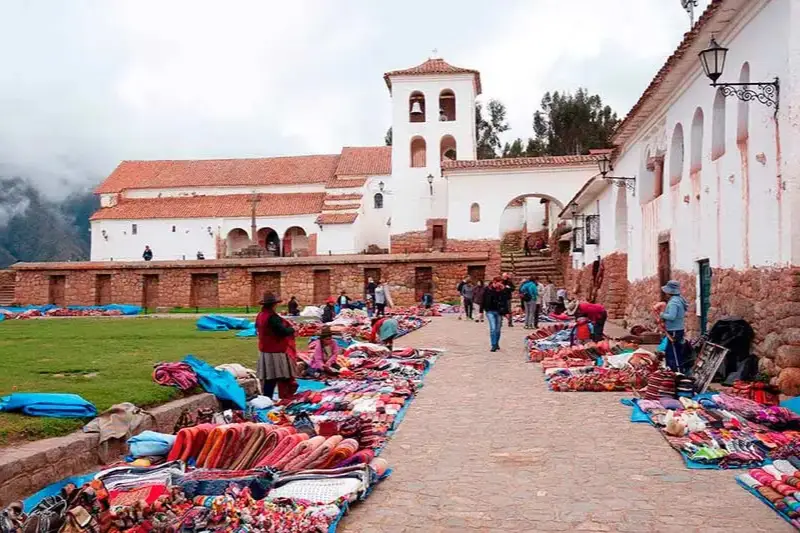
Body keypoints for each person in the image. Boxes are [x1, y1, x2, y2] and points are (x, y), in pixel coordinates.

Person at [255, 292, 297, 399]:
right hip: (275, 351)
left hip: (265, 349)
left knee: (269, 377)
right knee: (279, 376)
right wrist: (293, 329)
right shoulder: (272, 317)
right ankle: (283, 396)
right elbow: (282, 331)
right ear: (274, 304)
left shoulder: (260, 315)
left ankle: (267, 398)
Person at [659, 280, 689, 372]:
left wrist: (662, 314)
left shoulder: (673, 303)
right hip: (677, 329)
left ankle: (677, 371)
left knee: (674, 353)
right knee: (671, 351)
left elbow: (672, 316)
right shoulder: (680, 299)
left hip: (674, 331)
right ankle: (673, 370)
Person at [483, 277, 510, 352]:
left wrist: (506, 312)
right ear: (494, 282)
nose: (500, 284)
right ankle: (493, 345)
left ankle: (497, 343)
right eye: (499, 282)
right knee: (493, 328)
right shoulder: (488, 289)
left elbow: (506, 301)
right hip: (490, 311)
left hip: (499, 311)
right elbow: (483, 299)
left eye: (501, 282)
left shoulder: (502, 290)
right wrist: (481, 311)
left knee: (498, 329)